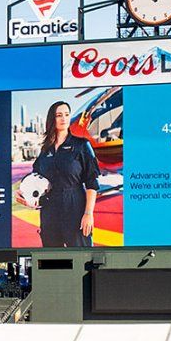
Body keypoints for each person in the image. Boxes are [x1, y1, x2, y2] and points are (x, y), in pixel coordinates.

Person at [29, 99, 100, 248]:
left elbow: (92, 182)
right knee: (53, 261)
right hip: (49, 212)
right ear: (51, 119)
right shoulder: (45, 150)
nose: (63, 118)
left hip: (75, 207)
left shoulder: (81, 145)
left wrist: (88, 214)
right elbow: (35, 178)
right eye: (59, 115)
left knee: (83, 259)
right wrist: (25, 195)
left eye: (67, 114)